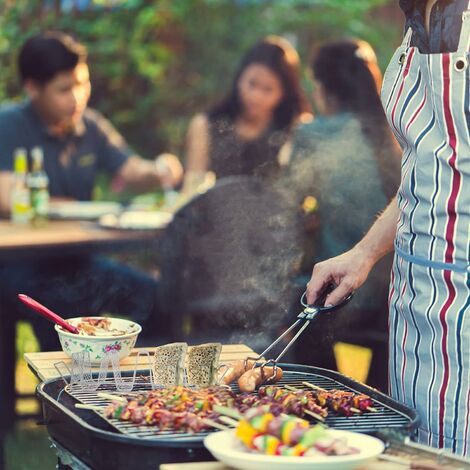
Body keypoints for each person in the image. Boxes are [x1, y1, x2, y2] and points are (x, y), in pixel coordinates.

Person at [306, 0, 470, 455]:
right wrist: (363, 254)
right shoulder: (415, 23)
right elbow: (428, 171)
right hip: (414, 298)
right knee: (414, 449)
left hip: (464, 302)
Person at [0, 31, 183, 350]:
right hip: (23, 264)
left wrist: (159, 169)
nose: (77, 97)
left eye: (83, 84)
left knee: (154, 297)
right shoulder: (9, 125)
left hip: (80, 260)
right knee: (65, 312)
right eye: (64, 89)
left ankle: (149, 391)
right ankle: (64, 394)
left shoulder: (91, 125)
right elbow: (7, 198)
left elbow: (131, 170)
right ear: (32, 87)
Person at [282, 39, 401, 391]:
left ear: (321, 88)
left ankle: (323, 397)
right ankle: (376, 396)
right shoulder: (395, 130)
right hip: (395, 300)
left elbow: (287, 207)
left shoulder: (312, 134)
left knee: (292, 304)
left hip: (345, 297)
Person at [183, 35, 311, 193]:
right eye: (252, 83)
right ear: (239, 78)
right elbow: (192, 191)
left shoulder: (295, 128)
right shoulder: (205, 124)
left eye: (268, 89)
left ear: (284, 93)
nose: (256, 96)